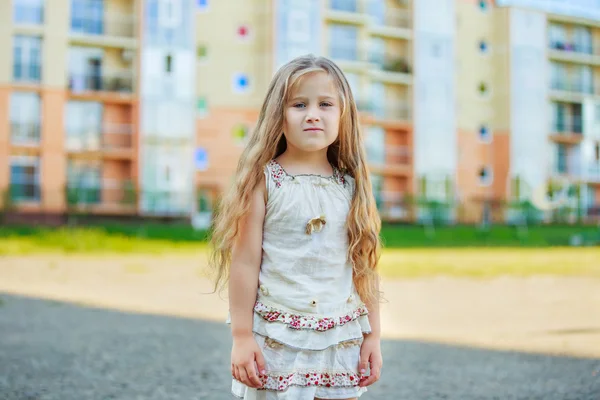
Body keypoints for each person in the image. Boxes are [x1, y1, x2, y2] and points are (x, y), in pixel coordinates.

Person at [210, 54, 382, 400]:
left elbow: (364, 264)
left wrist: (373, 336)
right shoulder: (264, 181)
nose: (313, 114)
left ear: (343, 114)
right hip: (279, 336)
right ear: (279, 115)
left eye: (325, 104)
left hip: (339, 336)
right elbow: (245, 262)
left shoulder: (351, 186)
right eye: (299, 104)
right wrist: (242, 337)